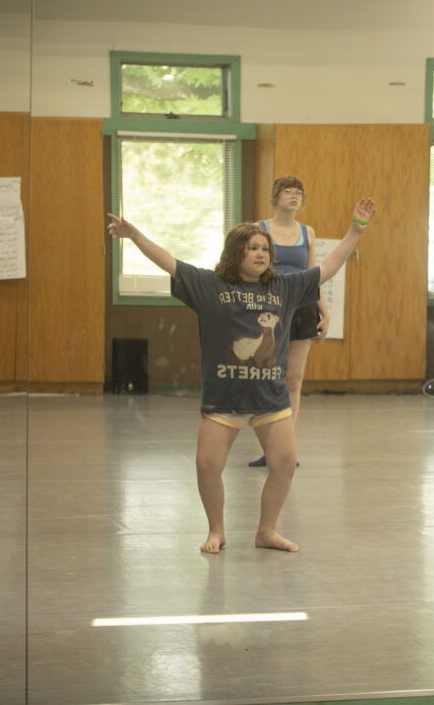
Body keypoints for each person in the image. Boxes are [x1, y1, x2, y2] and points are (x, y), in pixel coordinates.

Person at [106, 199, 375, 553]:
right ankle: (216, 530)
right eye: (253, 248)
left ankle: (267, 532)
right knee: (207, 465)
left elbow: (327, 269)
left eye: (265, 249)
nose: (261, 254)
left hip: (270, 400)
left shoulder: (284, 287)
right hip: (225, 399)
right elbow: (169, 262)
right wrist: (134, 235)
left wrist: (355, 231)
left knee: (284, 464)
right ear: (236, 253)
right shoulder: (210, 285)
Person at [250, 175, 328, 468]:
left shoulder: (308, 232)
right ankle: (267, 446)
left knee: (293, 380)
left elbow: (313, 275)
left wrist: (325, 313)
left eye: (299, 192)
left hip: (301, 308)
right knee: (266, 377)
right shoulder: (259, 229)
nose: (294, 196)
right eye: (288, 191)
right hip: (269, 307)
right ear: (276, 196)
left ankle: (284, 448)